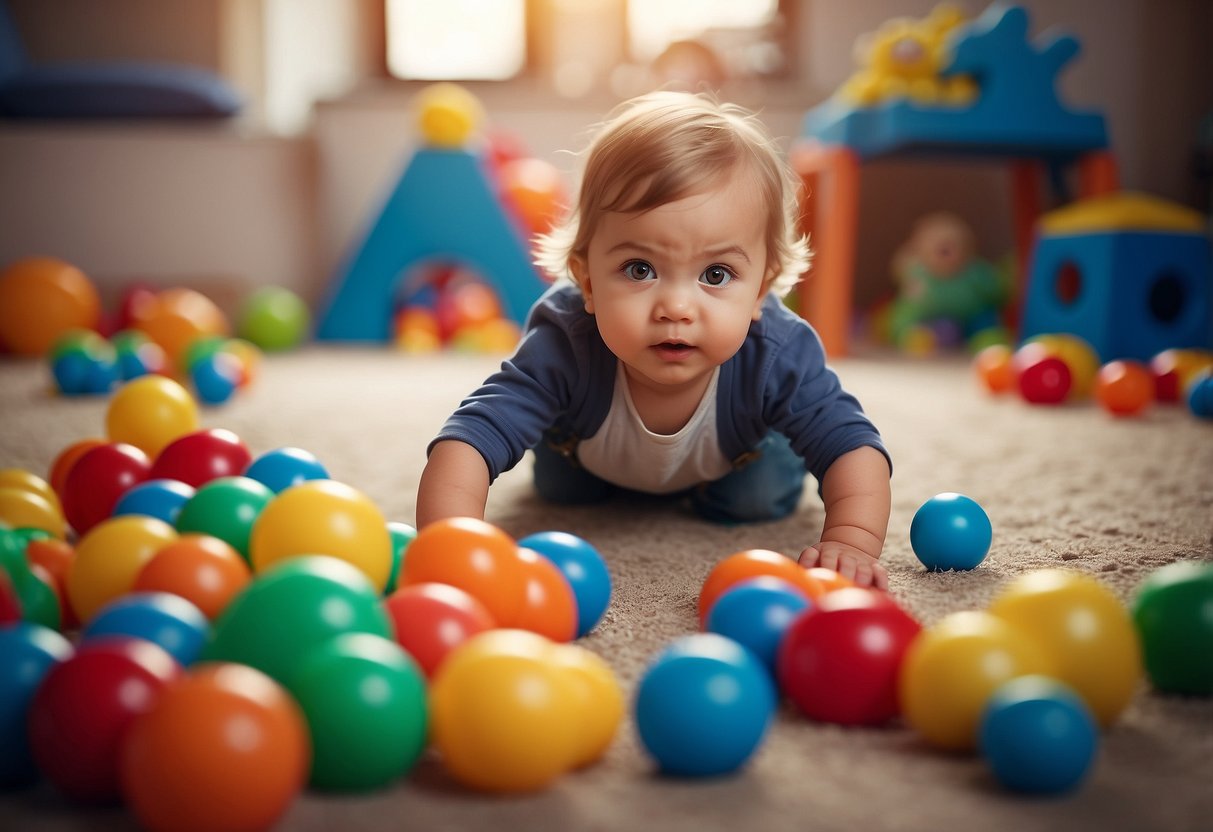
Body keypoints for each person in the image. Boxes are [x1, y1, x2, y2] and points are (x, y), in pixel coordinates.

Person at [417, 91, 892, 589]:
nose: (677, 308)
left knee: (757, 497)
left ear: (761, 290)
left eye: (716, 273)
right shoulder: (565, 337)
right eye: (639, 269)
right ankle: (593, 480)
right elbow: (470, 438)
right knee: (561, 491)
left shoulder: (775, 350)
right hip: (588, 452)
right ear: (588, 281)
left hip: (732, 459)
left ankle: (723, 482)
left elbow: (852, 446)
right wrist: (452, 545)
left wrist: (851, 542)